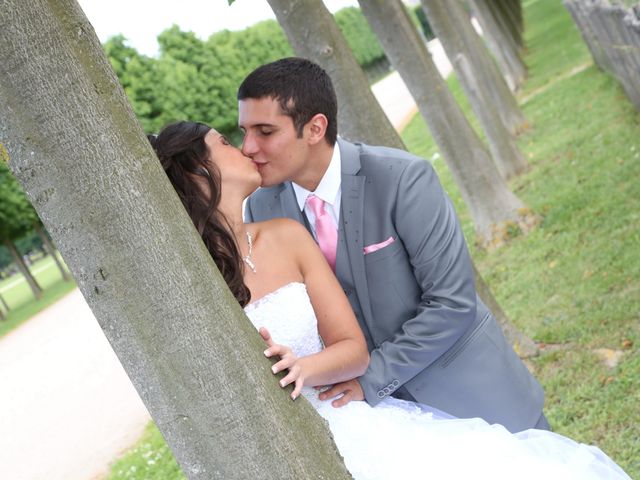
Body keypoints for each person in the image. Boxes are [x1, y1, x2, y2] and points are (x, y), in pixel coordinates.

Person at [149, 120, 630, 479]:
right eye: (228, 143)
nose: (247, 149)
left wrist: (304, 368)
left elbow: (351, 347)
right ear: (197, 170)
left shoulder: (285, 235)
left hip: (351, 415)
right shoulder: (190, 280)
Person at [239, 57, 545, 433]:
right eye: (244, 132)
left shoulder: (403, 179)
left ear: (316, 127)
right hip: (379, 426)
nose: (248, 147)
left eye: (265, 131)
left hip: (471, 394)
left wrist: (371, 379)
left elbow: (452, 302)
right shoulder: (261, 206)